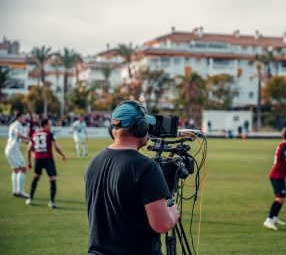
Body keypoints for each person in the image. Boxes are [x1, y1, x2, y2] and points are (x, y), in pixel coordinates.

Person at [85, 100, 180, 254]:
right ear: (140, 127)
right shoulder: (145, 167)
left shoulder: (94, 162)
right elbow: (162, 225)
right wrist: (173, 213)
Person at [26, 119, 66, 208]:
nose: (51, 126)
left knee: (36, 177)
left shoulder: (34, 134)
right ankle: (51, 202)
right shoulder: (50, 134)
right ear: (44, 125)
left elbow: (29, 149)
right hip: (48, 159)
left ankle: (30, 198)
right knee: (52, 179)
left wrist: (29, 161)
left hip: (38, 160)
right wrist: (63, 155)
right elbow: (56, 147)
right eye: (49, 124)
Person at [5, 112, 30, 198]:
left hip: (9, 149)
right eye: (23, 117)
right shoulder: (17, 125)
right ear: (19, 118)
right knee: (23, 168)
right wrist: (31, 138)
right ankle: (20, 191)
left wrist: (28, 143)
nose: (25, 119)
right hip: (13, 150)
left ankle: (15, 191)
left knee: (15, 170)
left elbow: (19, 138)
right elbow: (19, 135)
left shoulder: (13, 125)